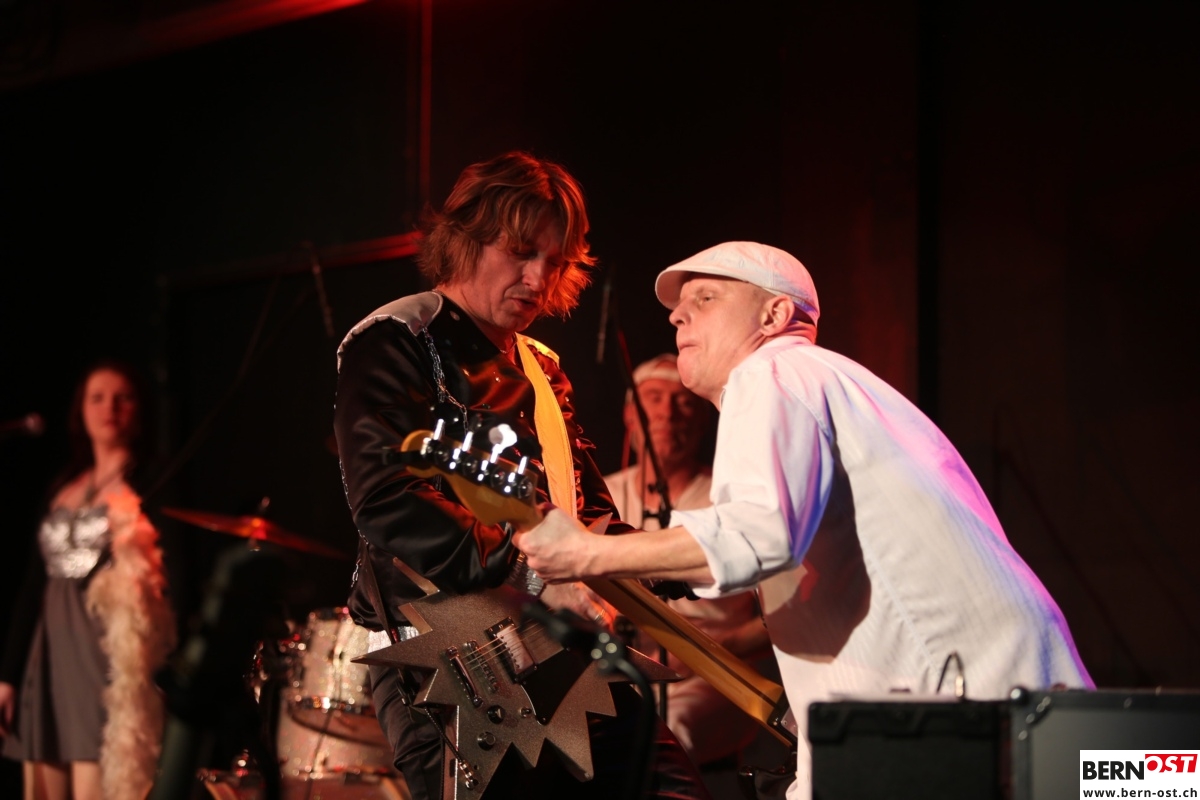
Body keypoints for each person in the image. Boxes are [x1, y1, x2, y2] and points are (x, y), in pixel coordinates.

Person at [513, 241, 1095, 800]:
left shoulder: (772, 372)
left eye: (706, 298)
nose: (677, 316)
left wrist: (585, 554)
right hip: (964, 697)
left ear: (773, 315)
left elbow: (756, 536)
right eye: (679, 306)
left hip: (956, 704)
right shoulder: (822, 380)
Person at [333, 150, 711, 800]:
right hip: (450, 658)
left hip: (558, 649)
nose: (538, 278)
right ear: (466, 239)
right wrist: (530, 571)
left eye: (555, 261)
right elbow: (389, 500)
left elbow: (587, 520)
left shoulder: (541, 367)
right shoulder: (398, 338)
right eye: (519, 252)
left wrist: (701, 559)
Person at [0, 359, 177, 800]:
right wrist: (8, 676)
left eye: (123, 398)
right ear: (80, 410)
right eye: (97, 398)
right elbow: (32, 587)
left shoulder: (151, 483)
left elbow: (174, 580)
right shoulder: (62, 484)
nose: (109, 408)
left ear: (140, 410)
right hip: (49, 656)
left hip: (104, 657)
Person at [604, 354, 781, 776]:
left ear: (703, 422)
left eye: (683, 403)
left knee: (664, 733)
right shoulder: (602, 496)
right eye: (654, 398)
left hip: (711, 675)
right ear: (630, 415)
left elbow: (785, 613)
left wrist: (707, 652)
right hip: (616, 668)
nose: (667, 413)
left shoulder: (733, 501)